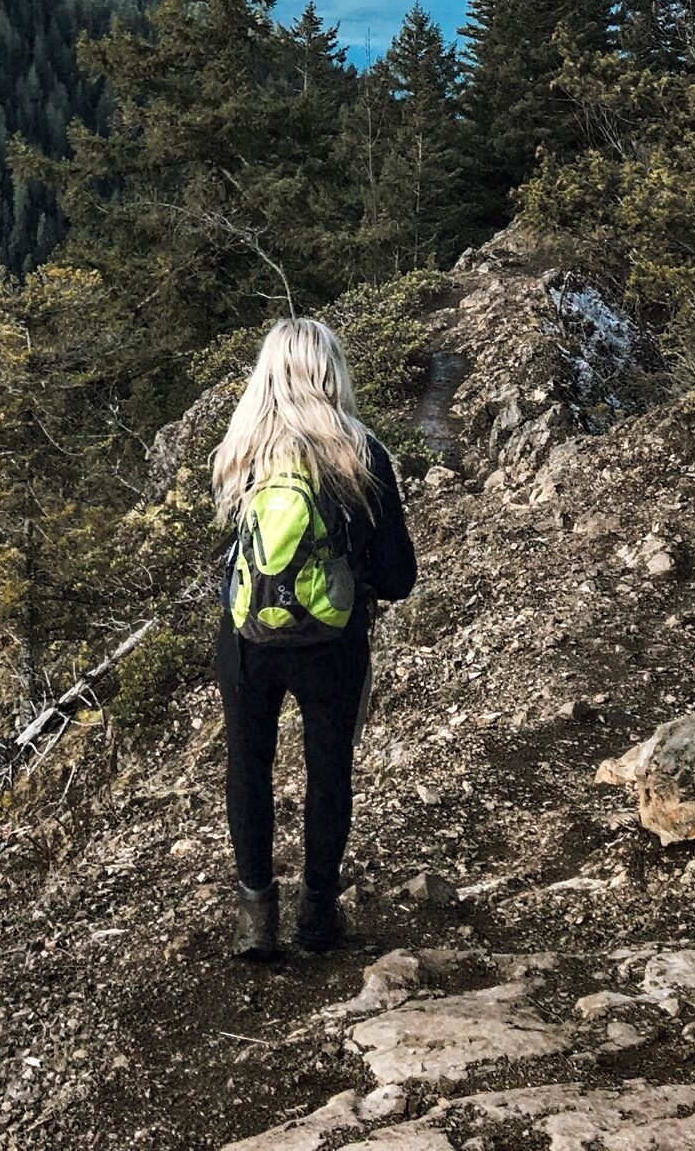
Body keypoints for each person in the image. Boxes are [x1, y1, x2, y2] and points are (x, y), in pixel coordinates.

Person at [210, 314, 417, 957]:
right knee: (328, 771)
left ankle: (254, 918)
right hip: (334, 643)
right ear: (331, 370)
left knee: (249, 766)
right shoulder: (358, 450)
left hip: (247, 640)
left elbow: (232, 556)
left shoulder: (239, 451)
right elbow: (399, 575)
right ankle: (318, 915)